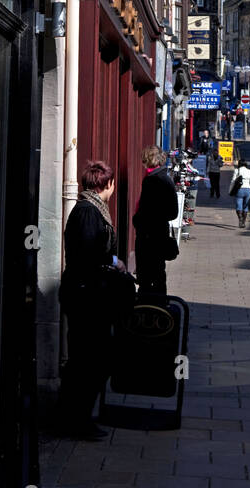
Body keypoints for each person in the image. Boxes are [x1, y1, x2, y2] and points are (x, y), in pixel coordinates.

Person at [57, 160, 130, 441]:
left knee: (88, 359)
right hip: (85, 296)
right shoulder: (89, 212)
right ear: (106, 184)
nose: (113, 188)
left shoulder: (91, 209)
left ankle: (75, 416)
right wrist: (113, 260)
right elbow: (88, 253)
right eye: (112, 183)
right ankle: (76, 419)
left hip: (89, 293)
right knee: (90, 361)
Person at [133, 145, 179, 299]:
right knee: (159, 274)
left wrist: (137, 220)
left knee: (146, 278)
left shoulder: (151, 181)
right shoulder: (166, 179)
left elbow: (145, 212)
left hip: (148, 238)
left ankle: (148, 313)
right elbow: (173, 213)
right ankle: (160, 309)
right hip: (161, 235)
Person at [230, 154, 250, 228]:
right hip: (248, 190)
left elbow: (233, 181)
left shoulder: (237, 170)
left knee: (239, 205)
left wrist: (230, 191)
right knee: (245, 207)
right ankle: (243, 222)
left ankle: (240, 219)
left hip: (239, 190)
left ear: (239, 164)